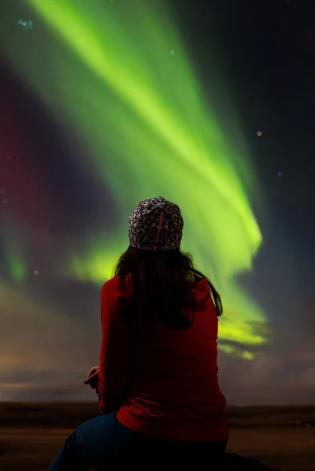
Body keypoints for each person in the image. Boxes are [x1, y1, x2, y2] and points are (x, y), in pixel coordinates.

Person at [48, 196, 229, 471]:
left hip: (149, 431)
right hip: (213, 436)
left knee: (76, 443)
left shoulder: (118, 290)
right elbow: (174, 360)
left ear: (133, 236)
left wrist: (106, 386)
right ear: (177, 239)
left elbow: (114, 383)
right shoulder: (202, 291)